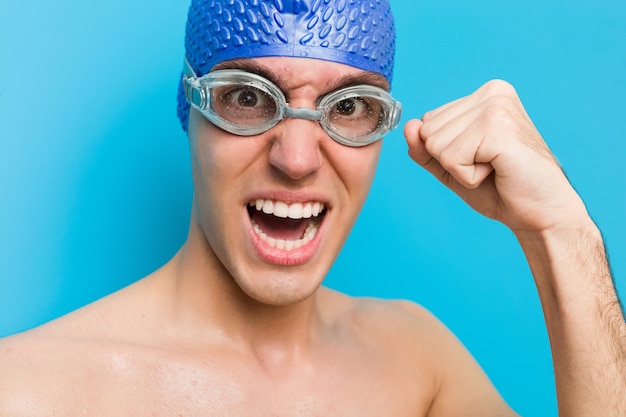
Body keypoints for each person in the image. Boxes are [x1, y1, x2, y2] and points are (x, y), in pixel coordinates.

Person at [1, 0, 624, 415]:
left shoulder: (417, 364)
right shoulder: (28, 391)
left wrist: (564, 235)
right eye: (247, 96)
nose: (297, 158)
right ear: (189, 108)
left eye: (349, 106)